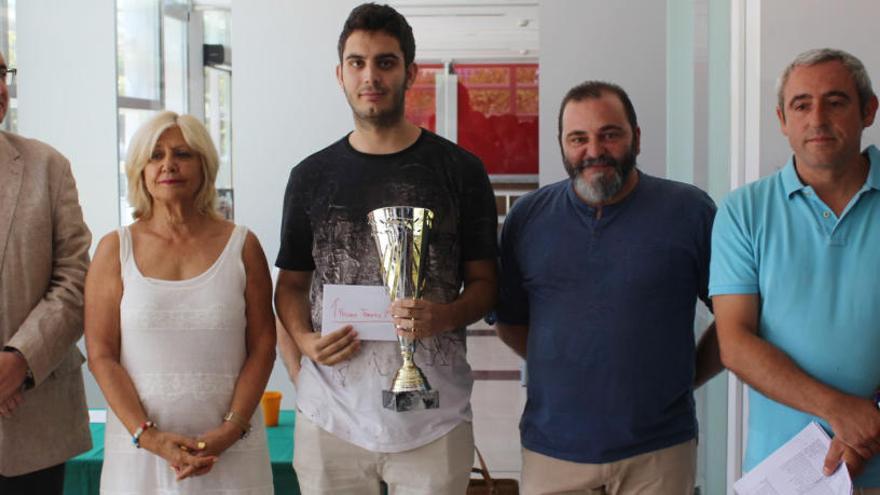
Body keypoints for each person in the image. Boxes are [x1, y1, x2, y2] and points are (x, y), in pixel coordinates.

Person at [274, 3, 498, 494]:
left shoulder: (460, 171)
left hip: (432, 419)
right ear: (340, 74)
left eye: (385, 62)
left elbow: (486, 284)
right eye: (357, 62)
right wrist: (303, 343)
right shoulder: (310, 177)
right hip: (331, 419)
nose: (370, 76)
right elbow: (290, 285)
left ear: (410, 72)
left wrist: (444, 316)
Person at [495, 80, 722, 494]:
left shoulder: (690, 212)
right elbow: (510, 322)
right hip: (553, 454)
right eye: (578, 138)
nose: (594, 151)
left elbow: (735, 318)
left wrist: (683, 375)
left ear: (637, 137)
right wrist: (574, 364)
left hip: (659, 453)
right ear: (561, 145)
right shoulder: (527, 218)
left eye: (610, 135)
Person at [712, 48, 880, 491]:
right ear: (782, 120)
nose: (817, 118)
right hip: (786, 474)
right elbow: (734, 342)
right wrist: (839, 409)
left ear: (869, 109)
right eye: (801, 105)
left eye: (836, 101)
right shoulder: (743, 211)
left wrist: (870, 423)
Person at [85, 111, 276, 493]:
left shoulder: (242, 244)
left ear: (205, 165)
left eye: (182, 154)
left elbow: (263, 346)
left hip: (231, 453)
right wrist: (150, 437)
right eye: (155, 155)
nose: (168, 165)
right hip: (141, 455)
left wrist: (228, 432)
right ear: (140, 169)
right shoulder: (114, 249)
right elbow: (101, 354)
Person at [0, 51, 92, 495]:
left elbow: (76, 278)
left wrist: (19, 362)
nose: (0, 87)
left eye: (0, 73)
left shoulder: (46, 167)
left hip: (33, 423)